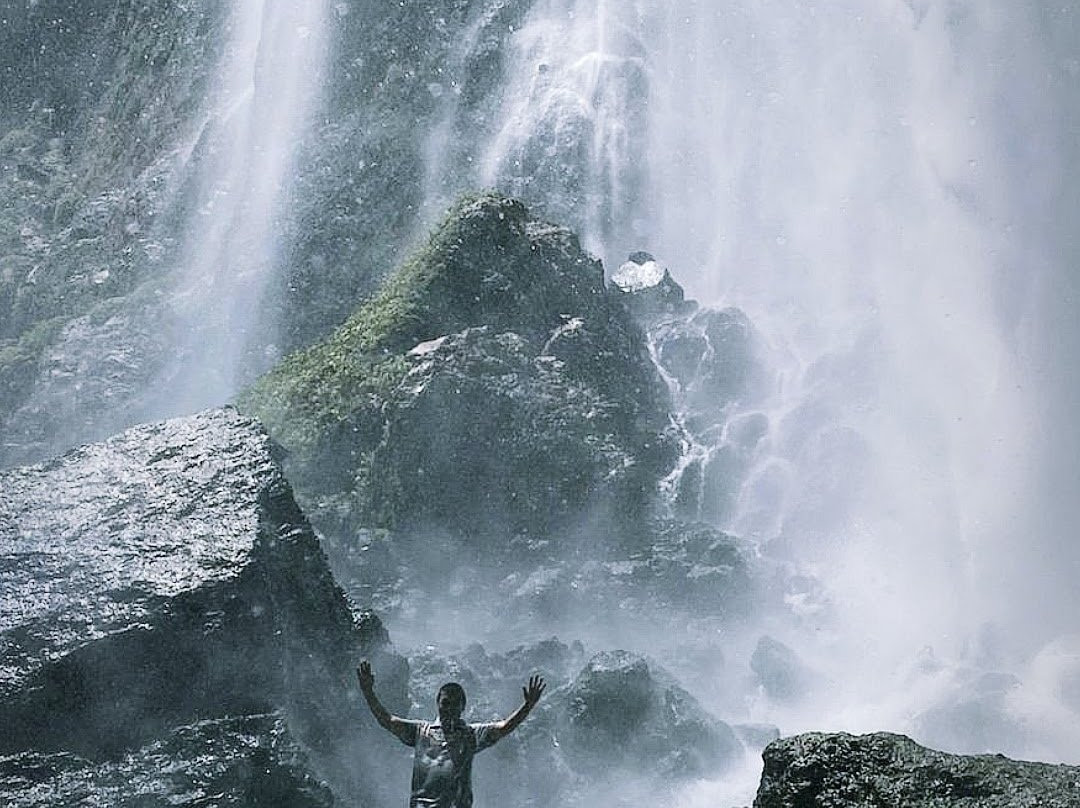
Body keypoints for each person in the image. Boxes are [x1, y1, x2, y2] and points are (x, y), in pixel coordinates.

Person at [356, 660, 545, 808]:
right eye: (445, 703)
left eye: (455, 704)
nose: (449, 708)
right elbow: (387, 721)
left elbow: (503, 728)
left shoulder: (471, 735)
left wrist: (528, 706)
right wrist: (368, 692)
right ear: (438, 704)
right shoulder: (421, 731)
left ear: (462, 707)